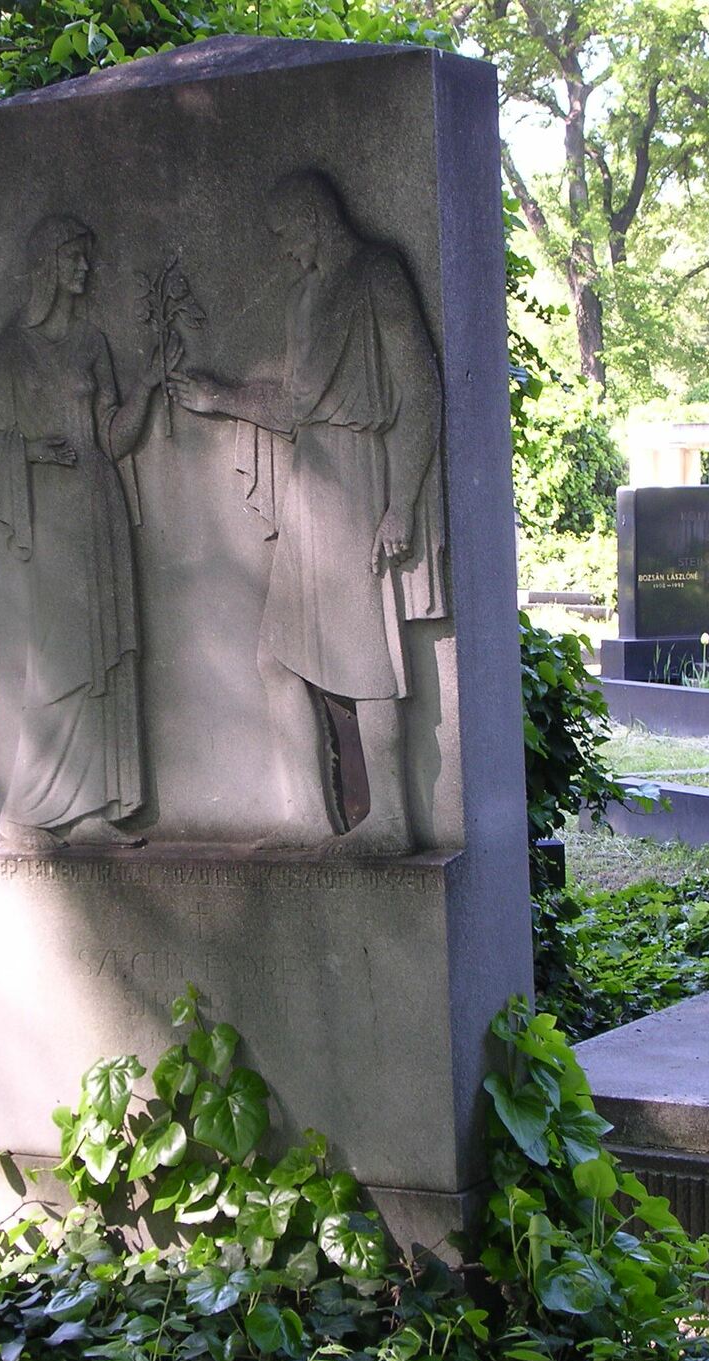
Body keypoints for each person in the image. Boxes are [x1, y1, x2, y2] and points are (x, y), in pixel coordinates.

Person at [170, 172, 445, 855]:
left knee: (366, 659)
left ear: (314, 219)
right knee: (276, 657)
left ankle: (390, 821)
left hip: (357, 480)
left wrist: (401, 502)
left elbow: (421, 390)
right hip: (312, 482)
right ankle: (306, 815)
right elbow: (295, 408)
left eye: (288, 236)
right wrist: (220, 396)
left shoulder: (376, 275)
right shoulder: (305, 296)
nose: (287, 252)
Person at [0, 214, 160, 847]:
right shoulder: (13, 348)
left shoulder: (91, 343)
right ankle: (30, 810)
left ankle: (94, 809)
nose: (84, 268)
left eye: (85, 257)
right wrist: (31, 451)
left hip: (99, 506)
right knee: (61, 660)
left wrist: (149, 386)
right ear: (47, 265)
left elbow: (113, 438)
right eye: (73, 257)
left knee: (102, 656)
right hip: (50, 517)